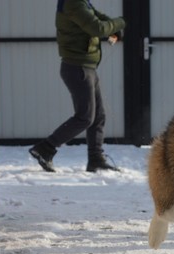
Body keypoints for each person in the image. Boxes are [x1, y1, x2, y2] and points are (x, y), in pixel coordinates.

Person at [29, 0, 126, 173]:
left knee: (98, 115)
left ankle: (95, 159)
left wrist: (115, 27)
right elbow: (98, 28)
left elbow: (98, 17)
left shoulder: (81, 2)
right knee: (85, 117)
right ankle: (45, 148)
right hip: (77, 68)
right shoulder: (73, 3)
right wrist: (121, 22)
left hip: (86, 67)